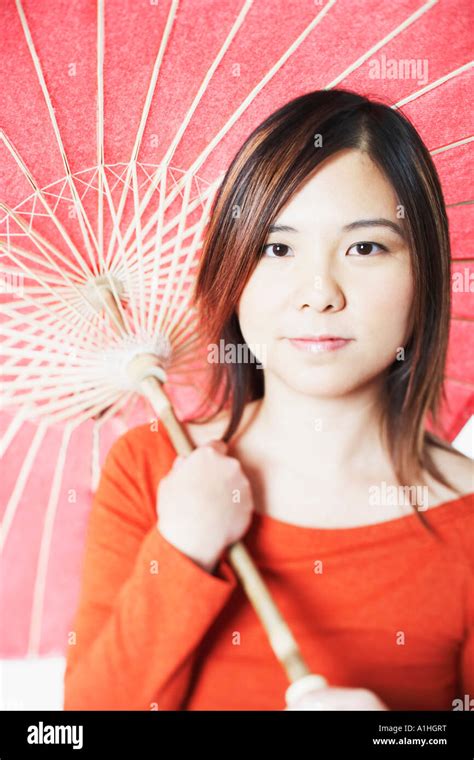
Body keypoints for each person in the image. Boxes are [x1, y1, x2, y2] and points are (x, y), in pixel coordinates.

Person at [64, 89, 473, 711]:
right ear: (233, 271)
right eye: (276, 248)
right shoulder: (149, 472)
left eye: (365, 247)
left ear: (425, 273)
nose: (319, 293)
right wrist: (180, 551)